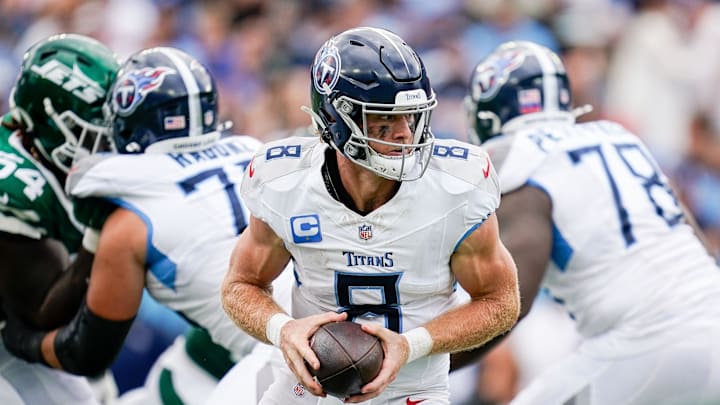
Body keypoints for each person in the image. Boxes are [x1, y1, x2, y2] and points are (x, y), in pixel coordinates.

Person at [220, 26, 520, 404]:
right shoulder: (285, 183)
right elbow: (239, 285)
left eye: (411, 116)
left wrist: (411, 345)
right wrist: (284, 330)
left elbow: (500, 302)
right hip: (307, 383)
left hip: (412, 389)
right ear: (336, 120)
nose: (405, 134)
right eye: (385, 119)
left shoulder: (456, 188)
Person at [1, 46, 291, 405]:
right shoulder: (252, 150)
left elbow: (86, 352)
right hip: (301, 323)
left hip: (276, 345)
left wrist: (19, 340)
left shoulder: (127, 210)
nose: (106, 140)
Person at [464, 40, 720, 404]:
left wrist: (412, 357)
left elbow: (503, 308)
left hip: (644, 345)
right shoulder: (618, 137)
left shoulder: (521, 160)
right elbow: (699, 247)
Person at [0, 33, 120, 405]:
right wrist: (98, 234)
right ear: (50, 121)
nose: (108, 138)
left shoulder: (39, 152)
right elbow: (43, 313)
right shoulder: (16, 190)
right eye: (94, 127)